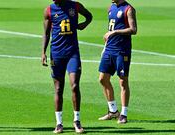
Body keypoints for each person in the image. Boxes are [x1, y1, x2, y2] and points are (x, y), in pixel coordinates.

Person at [42, 0, 92, 133]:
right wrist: (43, 53)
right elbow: (46, 33)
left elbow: (89, 16)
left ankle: (77, 121)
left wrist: (84, 24)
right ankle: (59, 123)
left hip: (72, 53)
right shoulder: (48, 10)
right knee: (58, 88)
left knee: (74, 85)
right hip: (57, 54)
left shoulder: (75, 6)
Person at [98, 0, 137, 124]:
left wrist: (115, 32)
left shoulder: (129, 9)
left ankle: (124, 114)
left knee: (122, 81)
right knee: (103, 79)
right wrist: (105, 47)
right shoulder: (111, 7)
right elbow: (110, 28)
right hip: (109, 49)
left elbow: (133, 29)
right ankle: (113, 111)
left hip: (122, 51)